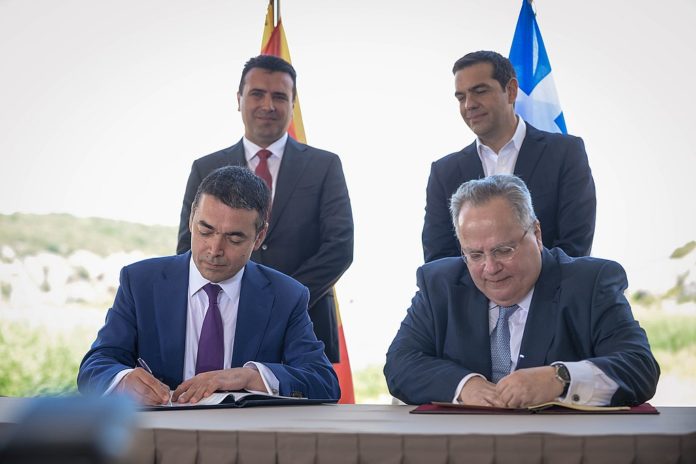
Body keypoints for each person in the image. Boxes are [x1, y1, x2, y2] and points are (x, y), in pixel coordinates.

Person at [385, 174, 659, 407]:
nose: (490, 268)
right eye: (475, 255)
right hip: (464, 443)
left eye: (503, 250)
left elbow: (639, 368)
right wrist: (465, 385)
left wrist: (560, 378)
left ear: (536, 234)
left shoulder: (590, 284)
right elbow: (400, 363)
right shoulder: (440, 284)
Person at [78, 166, 340, 405]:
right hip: (158, 434)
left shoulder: (286, 296)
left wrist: (249, 376)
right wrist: (123, 379)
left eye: (234, 238)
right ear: (191, 220)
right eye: (205, 231)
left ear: (259, 237)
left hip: (246, 436)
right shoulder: (140, 282)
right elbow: (96, 366)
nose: (215, 249)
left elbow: (324, 382)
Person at [176, 55, 353, 363]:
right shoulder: (206, 167)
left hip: (306, 322)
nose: (268, 105)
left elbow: (339, 247)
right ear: (239, 99)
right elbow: (187, 244)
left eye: (279, 96)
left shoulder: (325, 165)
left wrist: (281, 299)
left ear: (293, 104)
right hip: (222, 322)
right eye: (257, 94)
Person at [422, 50, 596, 262]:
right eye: (461, 97)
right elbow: (439, 261)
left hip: (556, 285)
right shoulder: (444, 173)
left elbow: (574, 249)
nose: (469, 104)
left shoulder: (565, 153)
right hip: (471, 286)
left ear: (511, 90)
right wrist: (489, 281)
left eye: (480, 91)